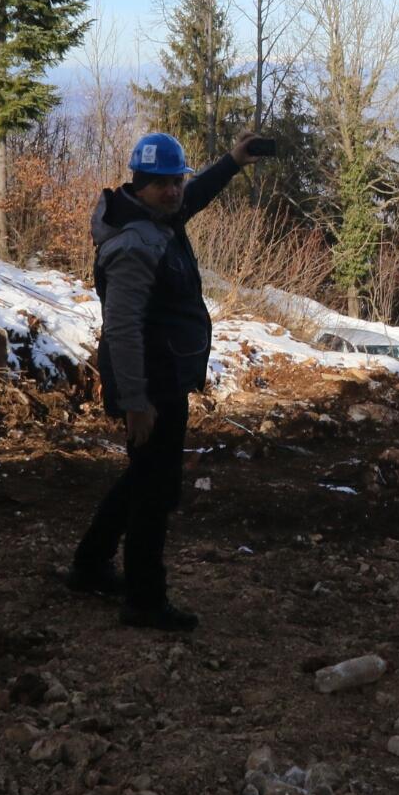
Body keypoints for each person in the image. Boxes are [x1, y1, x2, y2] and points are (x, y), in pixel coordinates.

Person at [69, 130, 266, 630]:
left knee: (144, 476)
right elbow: (123, 327)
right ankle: (144, 599)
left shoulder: (153, 217)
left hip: (162, 374)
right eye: (164, 184)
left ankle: (90, 565)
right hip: (149, 381)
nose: (175, 191)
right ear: (140, 184)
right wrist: (137, 401)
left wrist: (232, 161)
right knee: (155, 491)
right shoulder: (136, 244)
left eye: (177, 181)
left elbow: (192, 198)